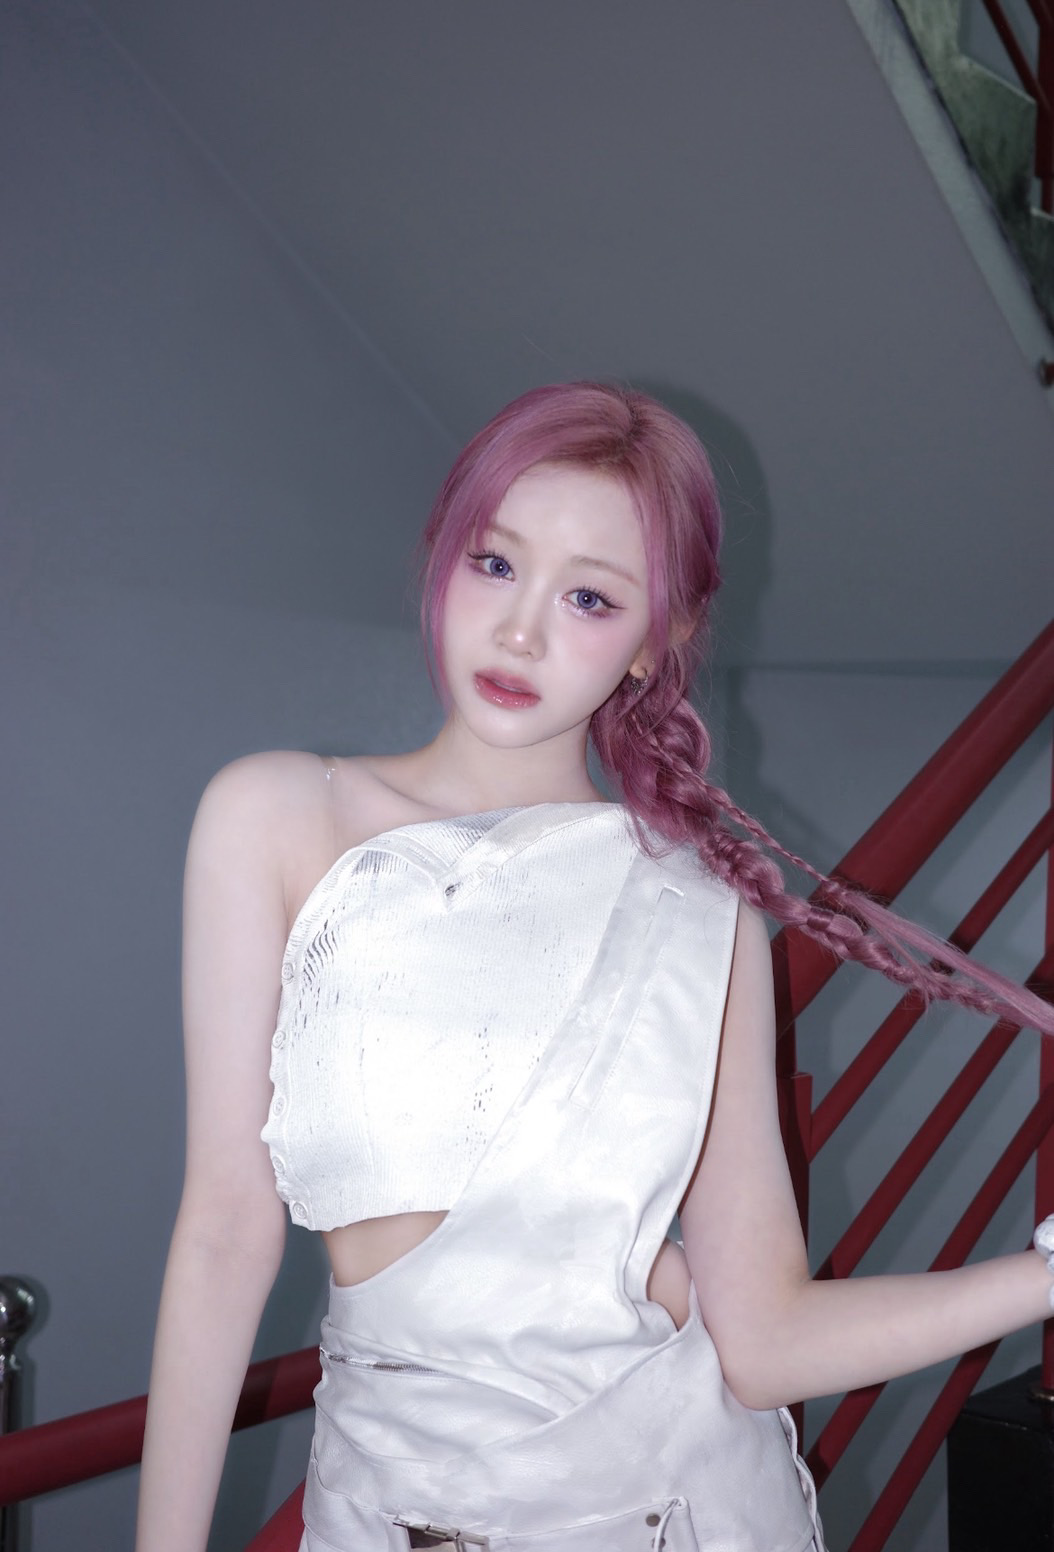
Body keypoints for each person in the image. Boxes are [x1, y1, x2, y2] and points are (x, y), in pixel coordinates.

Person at [135, 382, 1054, 1552]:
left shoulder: (699, 914)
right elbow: (225, 1226)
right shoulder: (277, 815)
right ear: (442, 556)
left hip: (667, 1510)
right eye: (494, 563)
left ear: (653, 640)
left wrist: (1044, 1274)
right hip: (375, 1504)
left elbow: (764, 1337)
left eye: (588, 597)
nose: (520, 631)